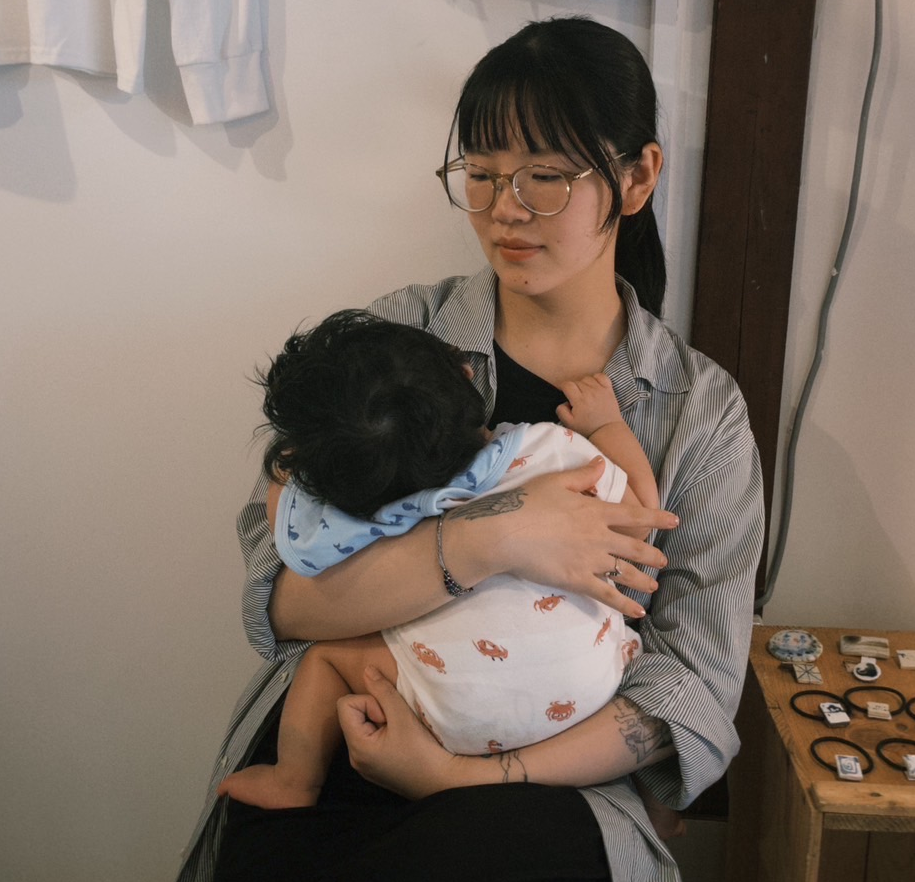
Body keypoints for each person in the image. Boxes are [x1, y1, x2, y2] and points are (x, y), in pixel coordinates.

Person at [177, 15, 764, 882]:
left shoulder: (699, 416)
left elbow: (690, 691)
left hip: (545, 779)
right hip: (350, 721)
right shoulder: (398, 337)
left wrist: (462, 777)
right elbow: (283, 597)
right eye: (481, 176)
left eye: (546, 177)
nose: (505, 210)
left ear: (637, 177)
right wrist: (497, 537)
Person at [215, 308, 681, 838]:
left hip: (442, 714)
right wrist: (606, 426)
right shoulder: (553, 451)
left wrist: (295, 477)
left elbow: (290, 533)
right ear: (465, 373)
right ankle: (661, 807)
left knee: (325, 658)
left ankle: (294, 780)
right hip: (580, 702)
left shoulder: (368, 507)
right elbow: (642, 518)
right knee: (630, 652)